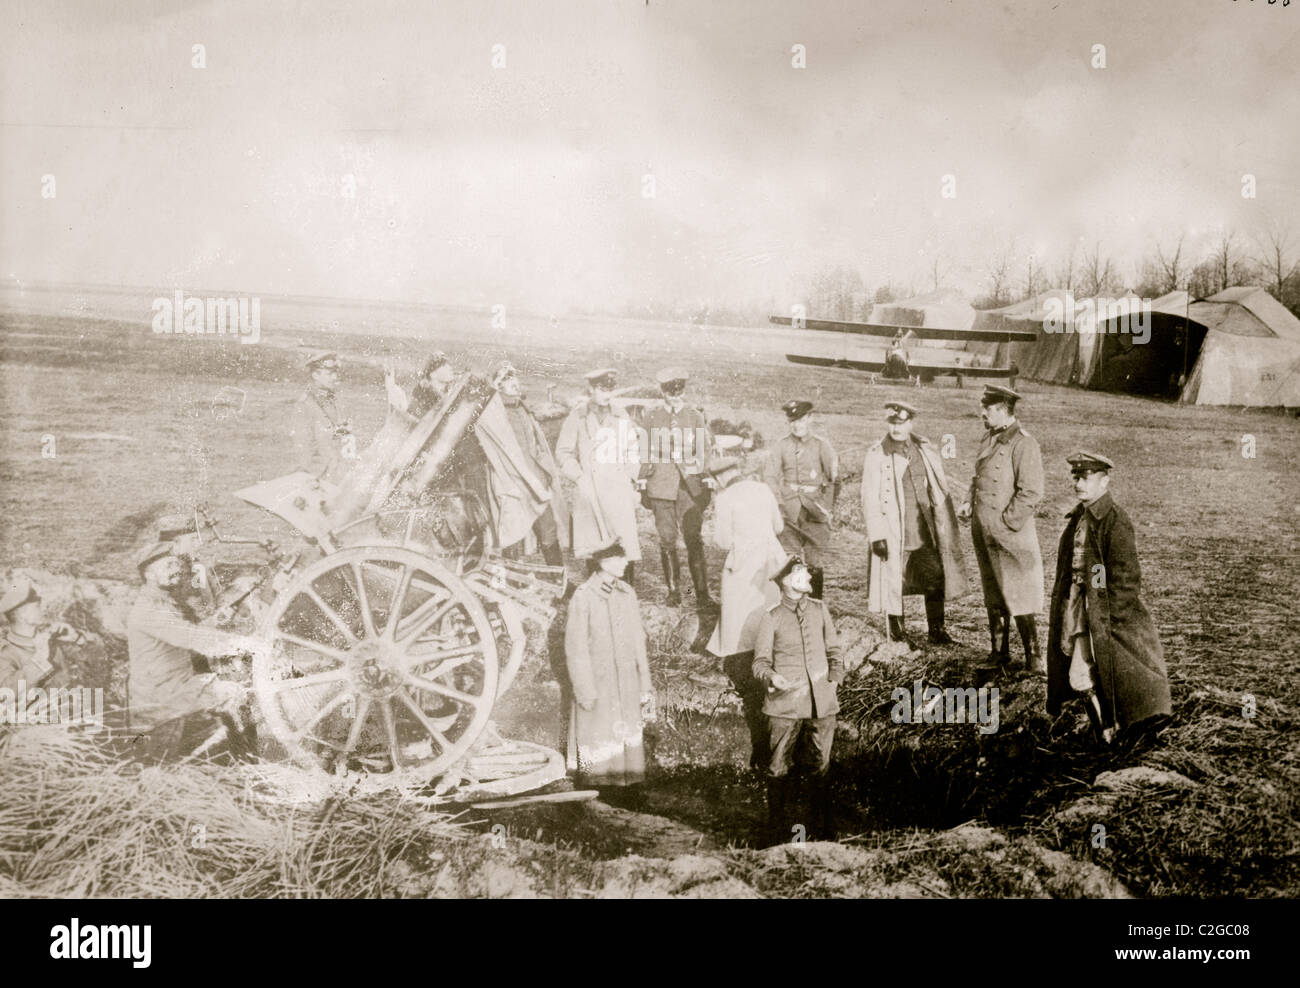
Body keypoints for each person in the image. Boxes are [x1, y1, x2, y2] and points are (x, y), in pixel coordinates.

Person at [1046, 452, 1172, 745]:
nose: (1079, 484)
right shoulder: (1080, 517)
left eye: (1086, 478)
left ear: (1104, 481)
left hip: (1103, 613)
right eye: (1076, 478)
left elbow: (1126, 577)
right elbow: (1082, 569)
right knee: (1080, 672)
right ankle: (1107, 731)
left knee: (1090, 674)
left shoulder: (1114, 521)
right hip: (1079, 606)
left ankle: (1111, 734)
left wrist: (1107, 610)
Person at [126, 540, 264, 750]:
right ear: (149, 574)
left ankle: (240, 753)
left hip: (177, 689)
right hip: (160, 703)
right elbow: (191, 637)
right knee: (235, 694)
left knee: (234, 693)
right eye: (169, 565)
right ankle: (249, 757)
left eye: (176, 565)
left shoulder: (162, 602)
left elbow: (183, 631)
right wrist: (251, 645)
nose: (177, 570)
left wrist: (216, 621)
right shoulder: (149, 611)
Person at [705, 439, 786, 771]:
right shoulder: (762, 490)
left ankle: (748, 672)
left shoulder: (724, 499)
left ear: (722, 477)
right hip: (770, 561)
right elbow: (778, 527)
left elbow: (723, 540)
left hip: (743, 566)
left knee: (741, 628)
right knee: (770, 614)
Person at [752, 556, 844, 843]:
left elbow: (835, 649)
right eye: (801, 574)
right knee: (778, 766)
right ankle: (778, 832)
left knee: (822, 766)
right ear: (786, 582)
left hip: (822, 702)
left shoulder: (819, 609)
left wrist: (835, 680)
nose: (808, 577)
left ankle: (825, 832)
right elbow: (760, 662)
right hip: (786, 704)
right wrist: (772, 678)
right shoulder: (772, 617)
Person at [861, 401, 967, 646]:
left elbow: (935, 487)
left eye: (902, 423)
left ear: (911, 423)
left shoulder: (922, 450)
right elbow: (869, 498)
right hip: (892, 533)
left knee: (936, 576)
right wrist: (876, 535)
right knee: (891, 581)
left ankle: (937, 631)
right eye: (893, 423)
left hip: (921, 532)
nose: (896, 428)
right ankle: (898, 634)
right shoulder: (878, 454)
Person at [956, 385, 1045, 677]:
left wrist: (1006, 523)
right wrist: (969, 502)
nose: (983, 413)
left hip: (1009, 534)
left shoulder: (1023, 443)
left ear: (1005, 410)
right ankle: (999, 652)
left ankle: (1034, 658)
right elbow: (977, 476)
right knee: (993, 592)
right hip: (983, 530)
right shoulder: (989, 437)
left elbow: (1031, 491)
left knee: (1018, 592)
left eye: (989, 408)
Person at [563, 539, 654, 787]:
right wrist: (585, 691)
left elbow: (638, 642)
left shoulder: (627, 593)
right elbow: (576, 649)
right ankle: (598, 792)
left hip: (626, 683)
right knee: (598, 743)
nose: (625, 563)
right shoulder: (583, 597)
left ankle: (627, 791)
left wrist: (645, 685)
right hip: (599, 686)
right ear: (603, 562)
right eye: (620, 558)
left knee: (627, 748)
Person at [638, 368, 714, 608]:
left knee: (693, 536)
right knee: (667, 538)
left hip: (688, 485)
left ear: (684, 390)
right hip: (660, 483)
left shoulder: (695, 416)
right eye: (670, 391)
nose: (674, 395)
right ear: (662, 391)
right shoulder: (651, 417)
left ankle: (701, 594)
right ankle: (674, 591)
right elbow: (644, 449)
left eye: (678, 390)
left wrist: (704, 476)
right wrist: (642, 480)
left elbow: (703, 449)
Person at [555, 368, 642, 576]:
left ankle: (624, 595)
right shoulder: (578, 416)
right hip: (590, 489)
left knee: (625, 544)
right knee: (595, 546)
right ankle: (598, 597)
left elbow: (632, 451)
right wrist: (579, 476)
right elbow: (563, 453)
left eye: (611, 389)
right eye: (603, 389)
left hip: (618, 489)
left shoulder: (621, 415)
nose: (607, 395)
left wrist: (630, 479)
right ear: (592, 389)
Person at [489, 361, 568, 566]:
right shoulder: (495, 412)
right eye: (506, 379)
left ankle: (559, 582)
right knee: (513, 535)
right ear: (498, 386)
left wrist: (544, 474)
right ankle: (512, 583)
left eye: (514, 377)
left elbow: (536, 446)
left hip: (536, 483)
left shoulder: (522, 408)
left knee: (549, 531)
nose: (513, 382)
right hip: (513, 484)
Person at [764, 400, 838, 599]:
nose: (797, 425)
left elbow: (833, 480)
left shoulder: (822, 446)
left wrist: (826, 507)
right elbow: (770, 476)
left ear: (810, 418)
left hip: (815, 512)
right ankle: (793, 608)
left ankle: (815, 607)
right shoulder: (781, 446)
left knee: (815, 563)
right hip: (789, 512)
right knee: (791, 562)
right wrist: (779, 504)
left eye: (801, 419)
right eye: (792, 421)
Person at [0, 574, 85, 693]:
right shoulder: (6, 653)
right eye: (37, 607)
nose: (43, 610)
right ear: (22, 615)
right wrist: (40, 660)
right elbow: (6, 692)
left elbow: (95, 662)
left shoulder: (51, 639)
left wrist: (77, 638)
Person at [289, 351, 356, 485]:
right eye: (330, 373)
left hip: (340, 477)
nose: (335, 377)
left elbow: (346, 441)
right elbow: (304, 451)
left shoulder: (337, 402)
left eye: (336, 373)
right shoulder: (305, 406)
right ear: (315, 375)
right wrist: (312, 480)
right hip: (318, 480)